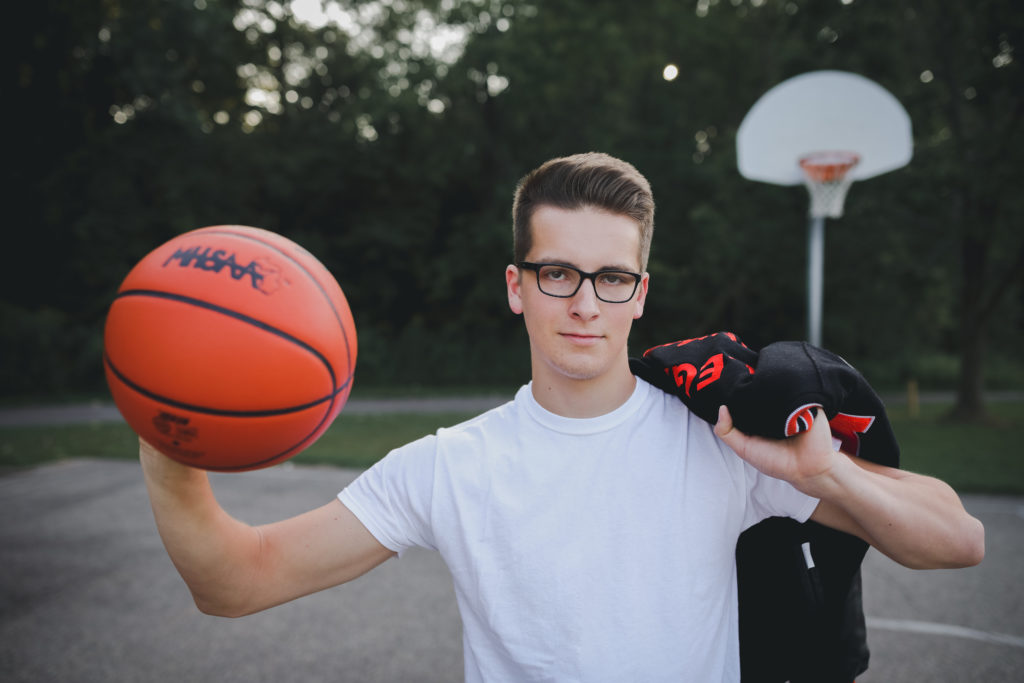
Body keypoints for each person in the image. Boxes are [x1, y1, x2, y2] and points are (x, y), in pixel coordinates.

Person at [139, 152, 984, 682]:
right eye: (557, 274)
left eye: (611, 277)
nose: (584, 303)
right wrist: (166, 415)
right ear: (516, 285)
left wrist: (826, 471)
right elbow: (233, 581)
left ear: (640, 294)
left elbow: (956, 539)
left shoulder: (722, 442)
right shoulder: (449, 465)